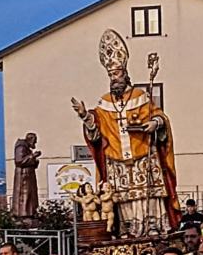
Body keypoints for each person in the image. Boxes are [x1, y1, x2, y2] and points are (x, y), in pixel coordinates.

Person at [71, 29, 181, 234]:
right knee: (124, 200)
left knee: (148, 195)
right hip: (116, 159)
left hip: (143, 155)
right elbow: (96, 133)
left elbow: (159, 116)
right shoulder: (104, 102)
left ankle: (153, 227)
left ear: (125, 73)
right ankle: (126, 230)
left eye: (117, 73)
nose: (114, 78)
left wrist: (154, 124)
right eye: (111, 74)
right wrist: (85, 116)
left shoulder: (140, 95)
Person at [11, 132, 41, 218]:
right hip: (23, 177)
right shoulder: (21, 147)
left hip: (28, 175)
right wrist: (32, 156)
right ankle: (24, 214)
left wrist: (35, 161)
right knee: (25, 196)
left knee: (30, 195)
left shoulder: (26, 148)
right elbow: (19, 161)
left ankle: (30, 213)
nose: (35, 144)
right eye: (34, 141)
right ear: (30, 140)